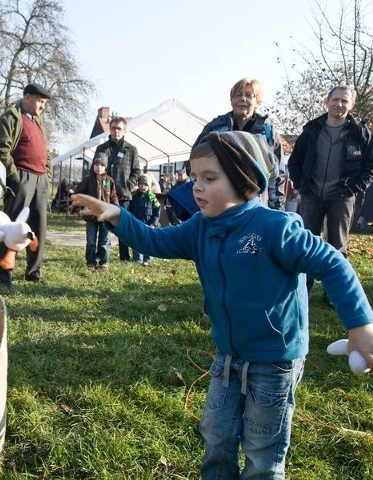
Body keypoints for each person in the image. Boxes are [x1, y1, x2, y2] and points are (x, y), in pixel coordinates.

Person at [72, 130, 373, 479]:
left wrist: (360, 324)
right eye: (194, 177)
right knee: (216, 436)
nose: (196, 186)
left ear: (244, 179)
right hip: (227, 356)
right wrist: (116, 215)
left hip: (275, 360)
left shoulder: (274, 227)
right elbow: (154, 240)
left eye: (209, 178)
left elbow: (332, 262)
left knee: (263, 450)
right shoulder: (200, 227)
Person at [288, 85, 373, 295]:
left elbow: (370, 167)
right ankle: (302, 291)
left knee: (338, 247)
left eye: (345, 101)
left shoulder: (361, 134)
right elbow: (295, 162)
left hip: (342, 197)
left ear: (352, 105)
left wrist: (353, 189)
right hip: (311, 196)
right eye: (335, 100)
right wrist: (301, 186)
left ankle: (334, 293)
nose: (339, 104)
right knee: (306, 243)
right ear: (327, 102)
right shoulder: (311, 131)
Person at [193, 77, 286, 211]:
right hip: (219, 206)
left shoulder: (268, 133)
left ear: (257, 101)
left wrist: (277, 209)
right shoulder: (215, 128)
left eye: (249, 95)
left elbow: (277, 176)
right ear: (231, 100)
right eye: (238, 95)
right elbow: (194, 163)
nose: (243, 99)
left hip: (256, 206)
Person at [0, 83, 52, 289]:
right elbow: (1, 148)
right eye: (40, 101)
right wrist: (14, 176)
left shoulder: (38, 121)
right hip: (21, 178)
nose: (43, 106)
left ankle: (33, 271)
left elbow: (45, 150)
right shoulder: (11, 117)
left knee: (38, 228)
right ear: (27, 97)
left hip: (41, 180)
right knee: (12, 228)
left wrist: (47, 174)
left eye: (45, 102)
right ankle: (4, 275)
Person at [93, 116, 141, 262]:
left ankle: (124, 257)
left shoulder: (131, 149)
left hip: (123, 194)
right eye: (113, 128)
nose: (116, 131)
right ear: (110, 129)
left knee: (123, 227)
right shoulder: (102, 148)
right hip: (105, 195)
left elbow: (136, 171)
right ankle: (102, 257)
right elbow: (95, 169)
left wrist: (128, 184)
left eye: (119, 128)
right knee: (104, 228)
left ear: (124, 130)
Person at [74, 155, 118, 269]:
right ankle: (91, 262)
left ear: (105, 167)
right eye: (97, 164)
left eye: (102, 165)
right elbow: (79, 194)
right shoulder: (87, 180)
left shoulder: (110, 181)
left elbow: (113, 196)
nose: (99, 167)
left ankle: (104, 262)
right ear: (93, 166)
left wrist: (116, 209)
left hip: (105, 217)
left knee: (105, 240)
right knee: (91, 241)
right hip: (91, 217)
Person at [128, 174, 161, 265]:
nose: (143, 187)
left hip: (148, 224)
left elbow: (157, 211)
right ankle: (137, 259)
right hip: (136, 224)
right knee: (136, 241)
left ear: (149, 186)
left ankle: (147, 259)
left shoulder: (152, 198)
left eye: (146, 185)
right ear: (138, 185)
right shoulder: (133, 197)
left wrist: (153, 223)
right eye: (141, 184)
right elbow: (129, 210)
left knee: (147, 242)